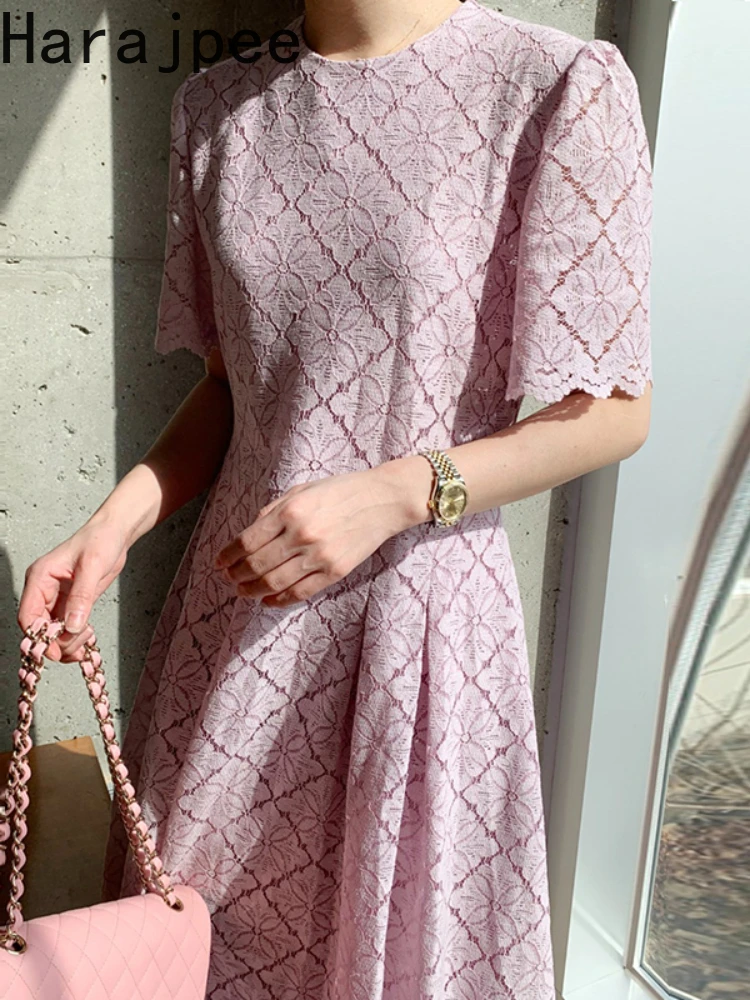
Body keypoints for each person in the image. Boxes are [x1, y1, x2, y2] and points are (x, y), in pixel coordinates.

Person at [17, 0, 653, 996]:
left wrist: (397, 492)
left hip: (417, 632)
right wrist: (116, 523)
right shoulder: (216, 107)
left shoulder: (553, 86)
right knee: (193, 951)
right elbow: (237, 389)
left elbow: (612, 412)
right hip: (235, 631)